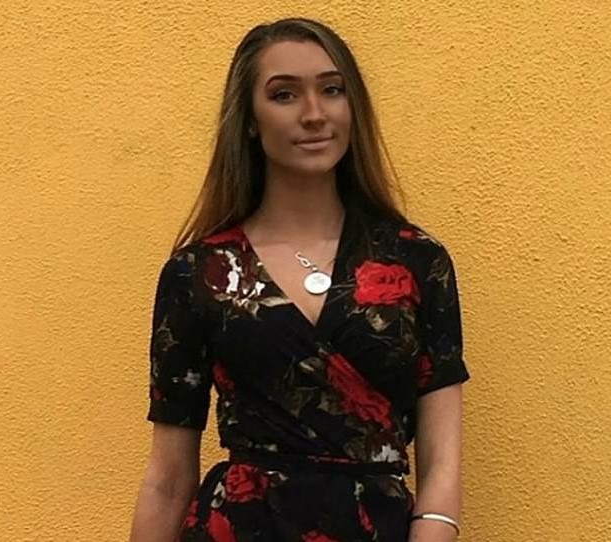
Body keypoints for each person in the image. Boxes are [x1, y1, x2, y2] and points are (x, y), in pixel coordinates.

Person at [129, 17, 470, 542]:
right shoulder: (198, 273)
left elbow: (443, 465)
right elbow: (168, 480)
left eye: (332, 90)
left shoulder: (417, 262)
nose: (314, 114)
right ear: (249, 119)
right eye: (284, 95)